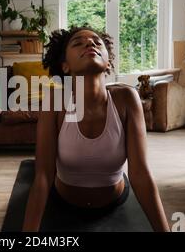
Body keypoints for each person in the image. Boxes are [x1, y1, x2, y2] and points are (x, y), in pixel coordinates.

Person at [22, 26, 170, 232]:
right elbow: (44, 175)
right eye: (78, 43)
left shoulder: (127, 98)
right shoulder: (55, 101)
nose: (90, 43)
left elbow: (140, 174)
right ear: (65, 66)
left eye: (96, 41)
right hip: (63, 203)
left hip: (115, 203)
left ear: (107, 62)